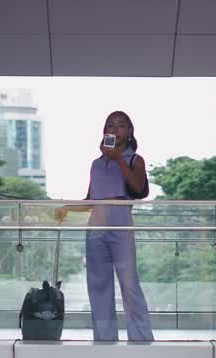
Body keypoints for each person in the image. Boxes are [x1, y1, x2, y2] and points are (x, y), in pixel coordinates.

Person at [55, 110, 154, 342]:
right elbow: (91, 199)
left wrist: (119, 157)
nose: (115, 129)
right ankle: (104, 337)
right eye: (110, 125)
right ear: (104, 131)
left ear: (129, 131)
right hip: (96, 228)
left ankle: (141, 338)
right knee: (98, 284)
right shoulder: (96, 165)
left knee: (129, 283)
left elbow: (138, 188)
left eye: (121, 125)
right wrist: (67, 207)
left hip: (121, 226)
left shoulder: (134, 160)